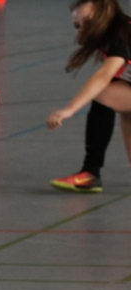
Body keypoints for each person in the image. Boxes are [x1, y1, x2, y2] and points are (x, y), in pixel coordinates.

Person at [48, 0, 131, 193]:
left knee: (104, 94)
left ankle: (90, 172)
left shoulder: (121, 33)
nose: (81, 30)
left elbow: (104, 76)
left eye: (87, 22)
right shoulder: (114, 33)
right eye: (77, 25)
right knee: (119, 100)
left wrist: (69, 109)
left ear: (105, 11)